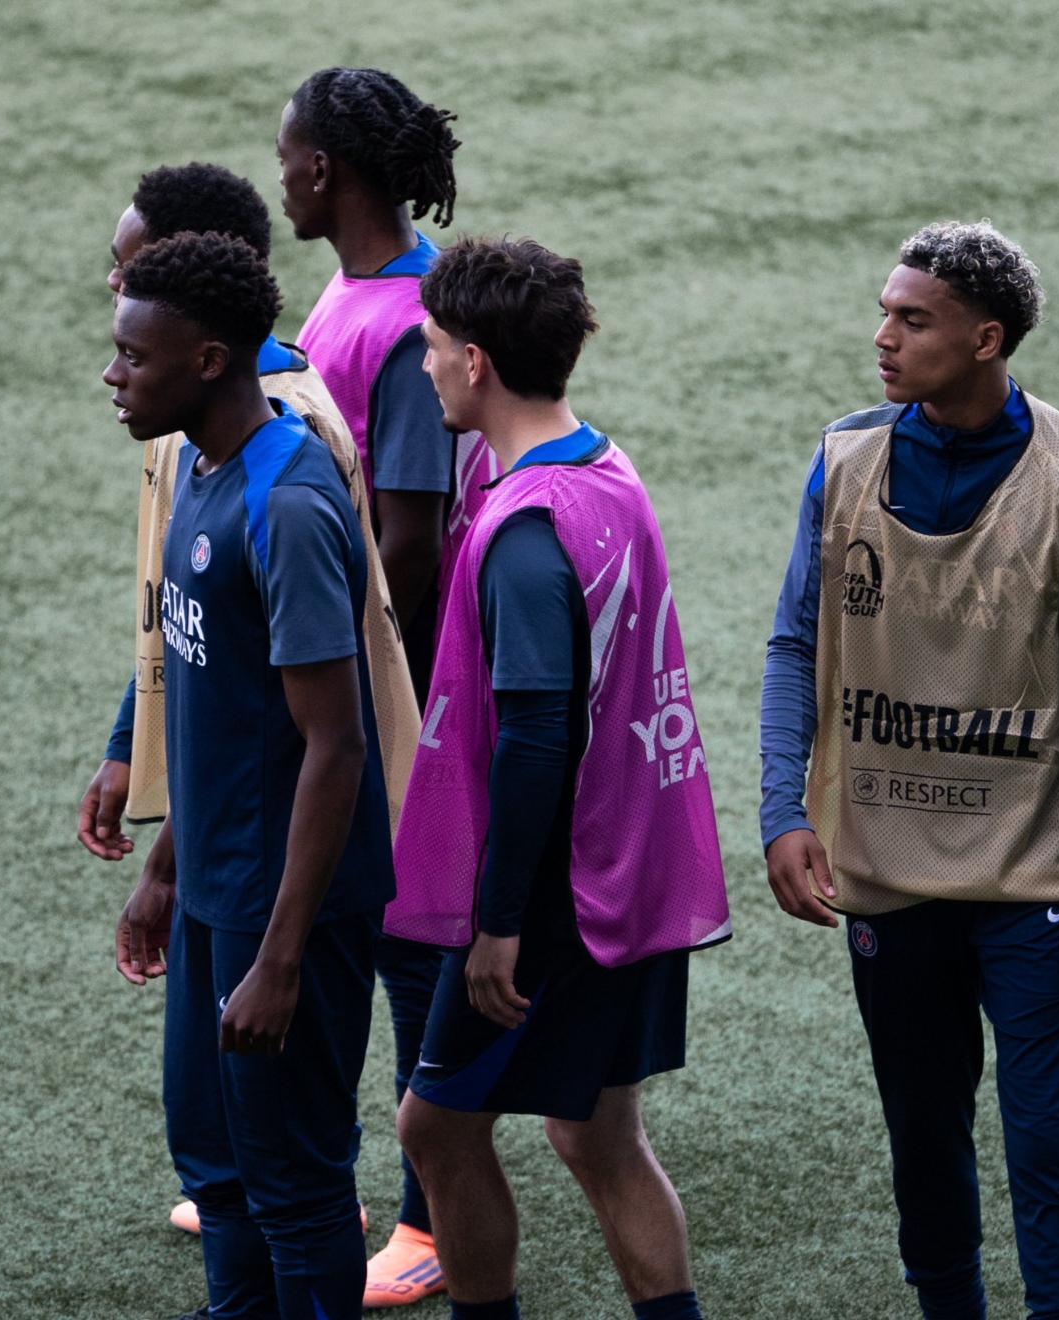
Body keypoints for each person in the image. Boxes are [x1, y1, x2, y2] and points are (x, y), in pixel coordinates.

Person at [759, 220, 1059, 1320]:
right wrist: (782, 809)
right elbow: (796, 643)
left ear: (986, 339)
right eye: (885, 312)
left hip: (1037, 884)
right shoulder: (845, 461)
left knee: (1044, 1147)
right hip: (888, 872)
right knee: (923, 1139)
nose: (882, 336)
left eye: (913, 319)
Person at [75, 166, 420, 1248]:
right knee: (218, 1145)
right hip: (219, 860)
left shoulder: (283, 459)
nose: (111, 358)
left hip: (291, 873)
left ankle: (413, 1232)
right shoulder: (200, 453)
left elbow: (330, 733)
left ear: (204, 343)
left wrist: (278, 950)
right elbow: (194, 646)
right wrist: (147, 791)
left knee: (294, 1164)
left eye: (131, 282)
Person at [389, 237, 731, 1320]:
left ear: (477, 361)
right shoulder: (606, 471)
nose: (425, 364)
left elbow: (537, 738)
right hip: (633, 859)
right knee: (597, 1133)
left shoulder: (527, 528)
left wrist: (497, 925)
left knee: (436, 1128)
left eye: (433, 346)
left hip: (557, 889)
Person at [277, 66, 490, 1305]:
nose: (280, 178)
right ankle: (330, 1186)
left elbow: (408, 535)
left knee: (412, 942)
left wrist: (362, 688)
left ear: (325, 171)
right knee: (354, 930)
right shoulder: (360, 285)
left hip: (408, 686)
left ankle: (430, 1220)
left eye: (287, 158)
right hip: (371, 672)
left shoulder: (407, 315)